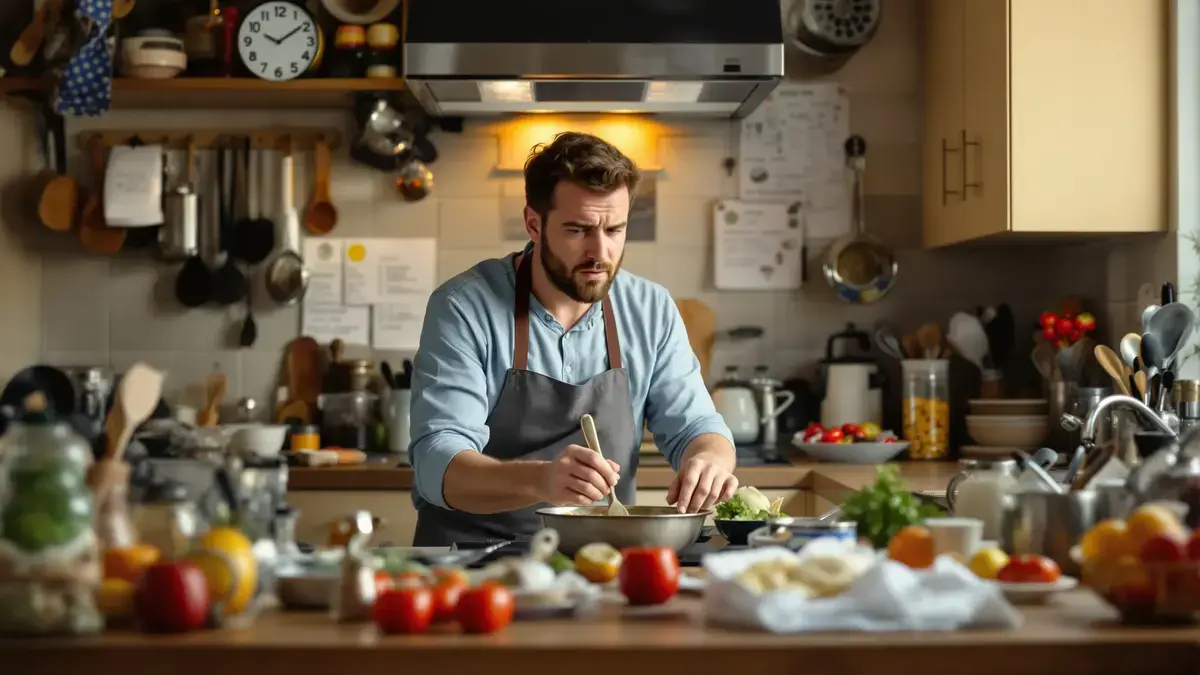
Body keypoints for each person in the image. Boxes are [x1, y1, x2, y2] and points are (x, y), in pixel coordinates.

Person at [408, 131, 737, 546]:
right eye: (578, 230)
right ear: (534, 224)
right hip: (470, 562)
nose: (600, 252)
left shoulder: (650, 308)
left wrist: (709, 457)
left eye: (615, 229)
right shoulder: (463, 307)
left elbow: (697, 426)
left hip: (601, 560)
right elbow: (438, 463)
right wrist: (542, 479)